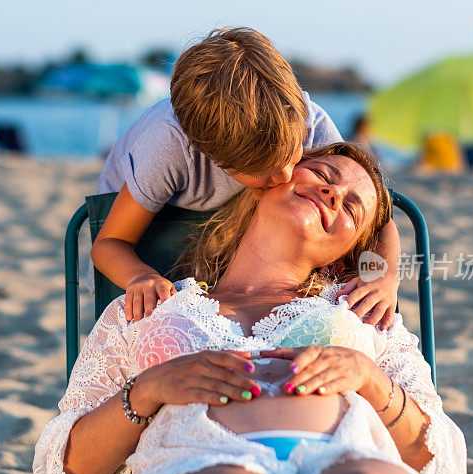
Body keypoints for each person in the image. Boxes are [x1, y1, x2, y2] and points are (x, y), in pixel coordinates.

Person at [34, 143, 467, 474]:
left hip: (347, 458)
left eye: (353, 208)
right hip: (202, 462)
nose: (335, 195)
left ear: (345, 255)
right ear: (268, 179)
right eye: (323, 175)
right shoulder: (147, 306)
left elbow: (438, 461)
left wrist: (371, 380)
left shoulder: (366, 311)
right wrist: (147, 390)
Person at [91, 27, 402, 331]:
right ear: (213, 157)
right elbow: (110, 242)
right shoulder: (168, 149)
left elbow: (378, 215)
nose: (285, 175)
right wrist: (138, 276)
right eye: (263, 171)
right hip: (149, 221)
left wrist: (385, 275)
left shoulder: (308, 122)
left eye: (292, 154)